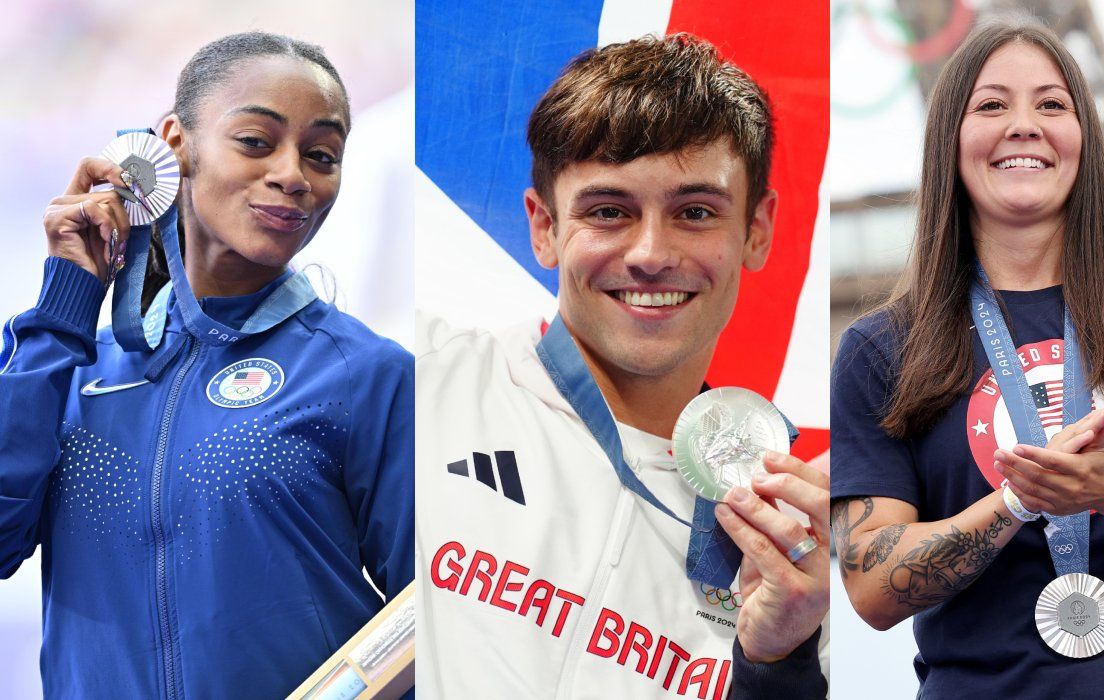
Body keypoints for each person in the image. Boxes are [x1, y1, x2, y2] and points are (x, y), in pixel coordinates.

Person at [831, 18, 1104, 699]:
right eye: (991, 105)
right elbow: (874, 589)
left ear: (1084, 137)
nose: (1023, 124)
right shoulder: (880, 349)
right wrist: (1017, 502)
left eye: (1051, 104)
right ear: (949, 142)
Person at [414, 35, 829, 698]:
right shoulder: (424, 384)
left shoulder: (788, 539)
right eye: (609, 212)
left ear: (756, 230)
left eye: (695, 213)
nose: (649, 253)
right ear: (544, 227)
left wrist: (779, 664)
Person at [0, 32, 413, 698]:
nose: (293, 175)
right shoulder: (70, 369)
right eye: (256, 141)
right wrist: (68, 298)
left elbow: (440, 626)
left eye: (321, 154)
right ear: (175, 142)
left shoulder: (366, 374)